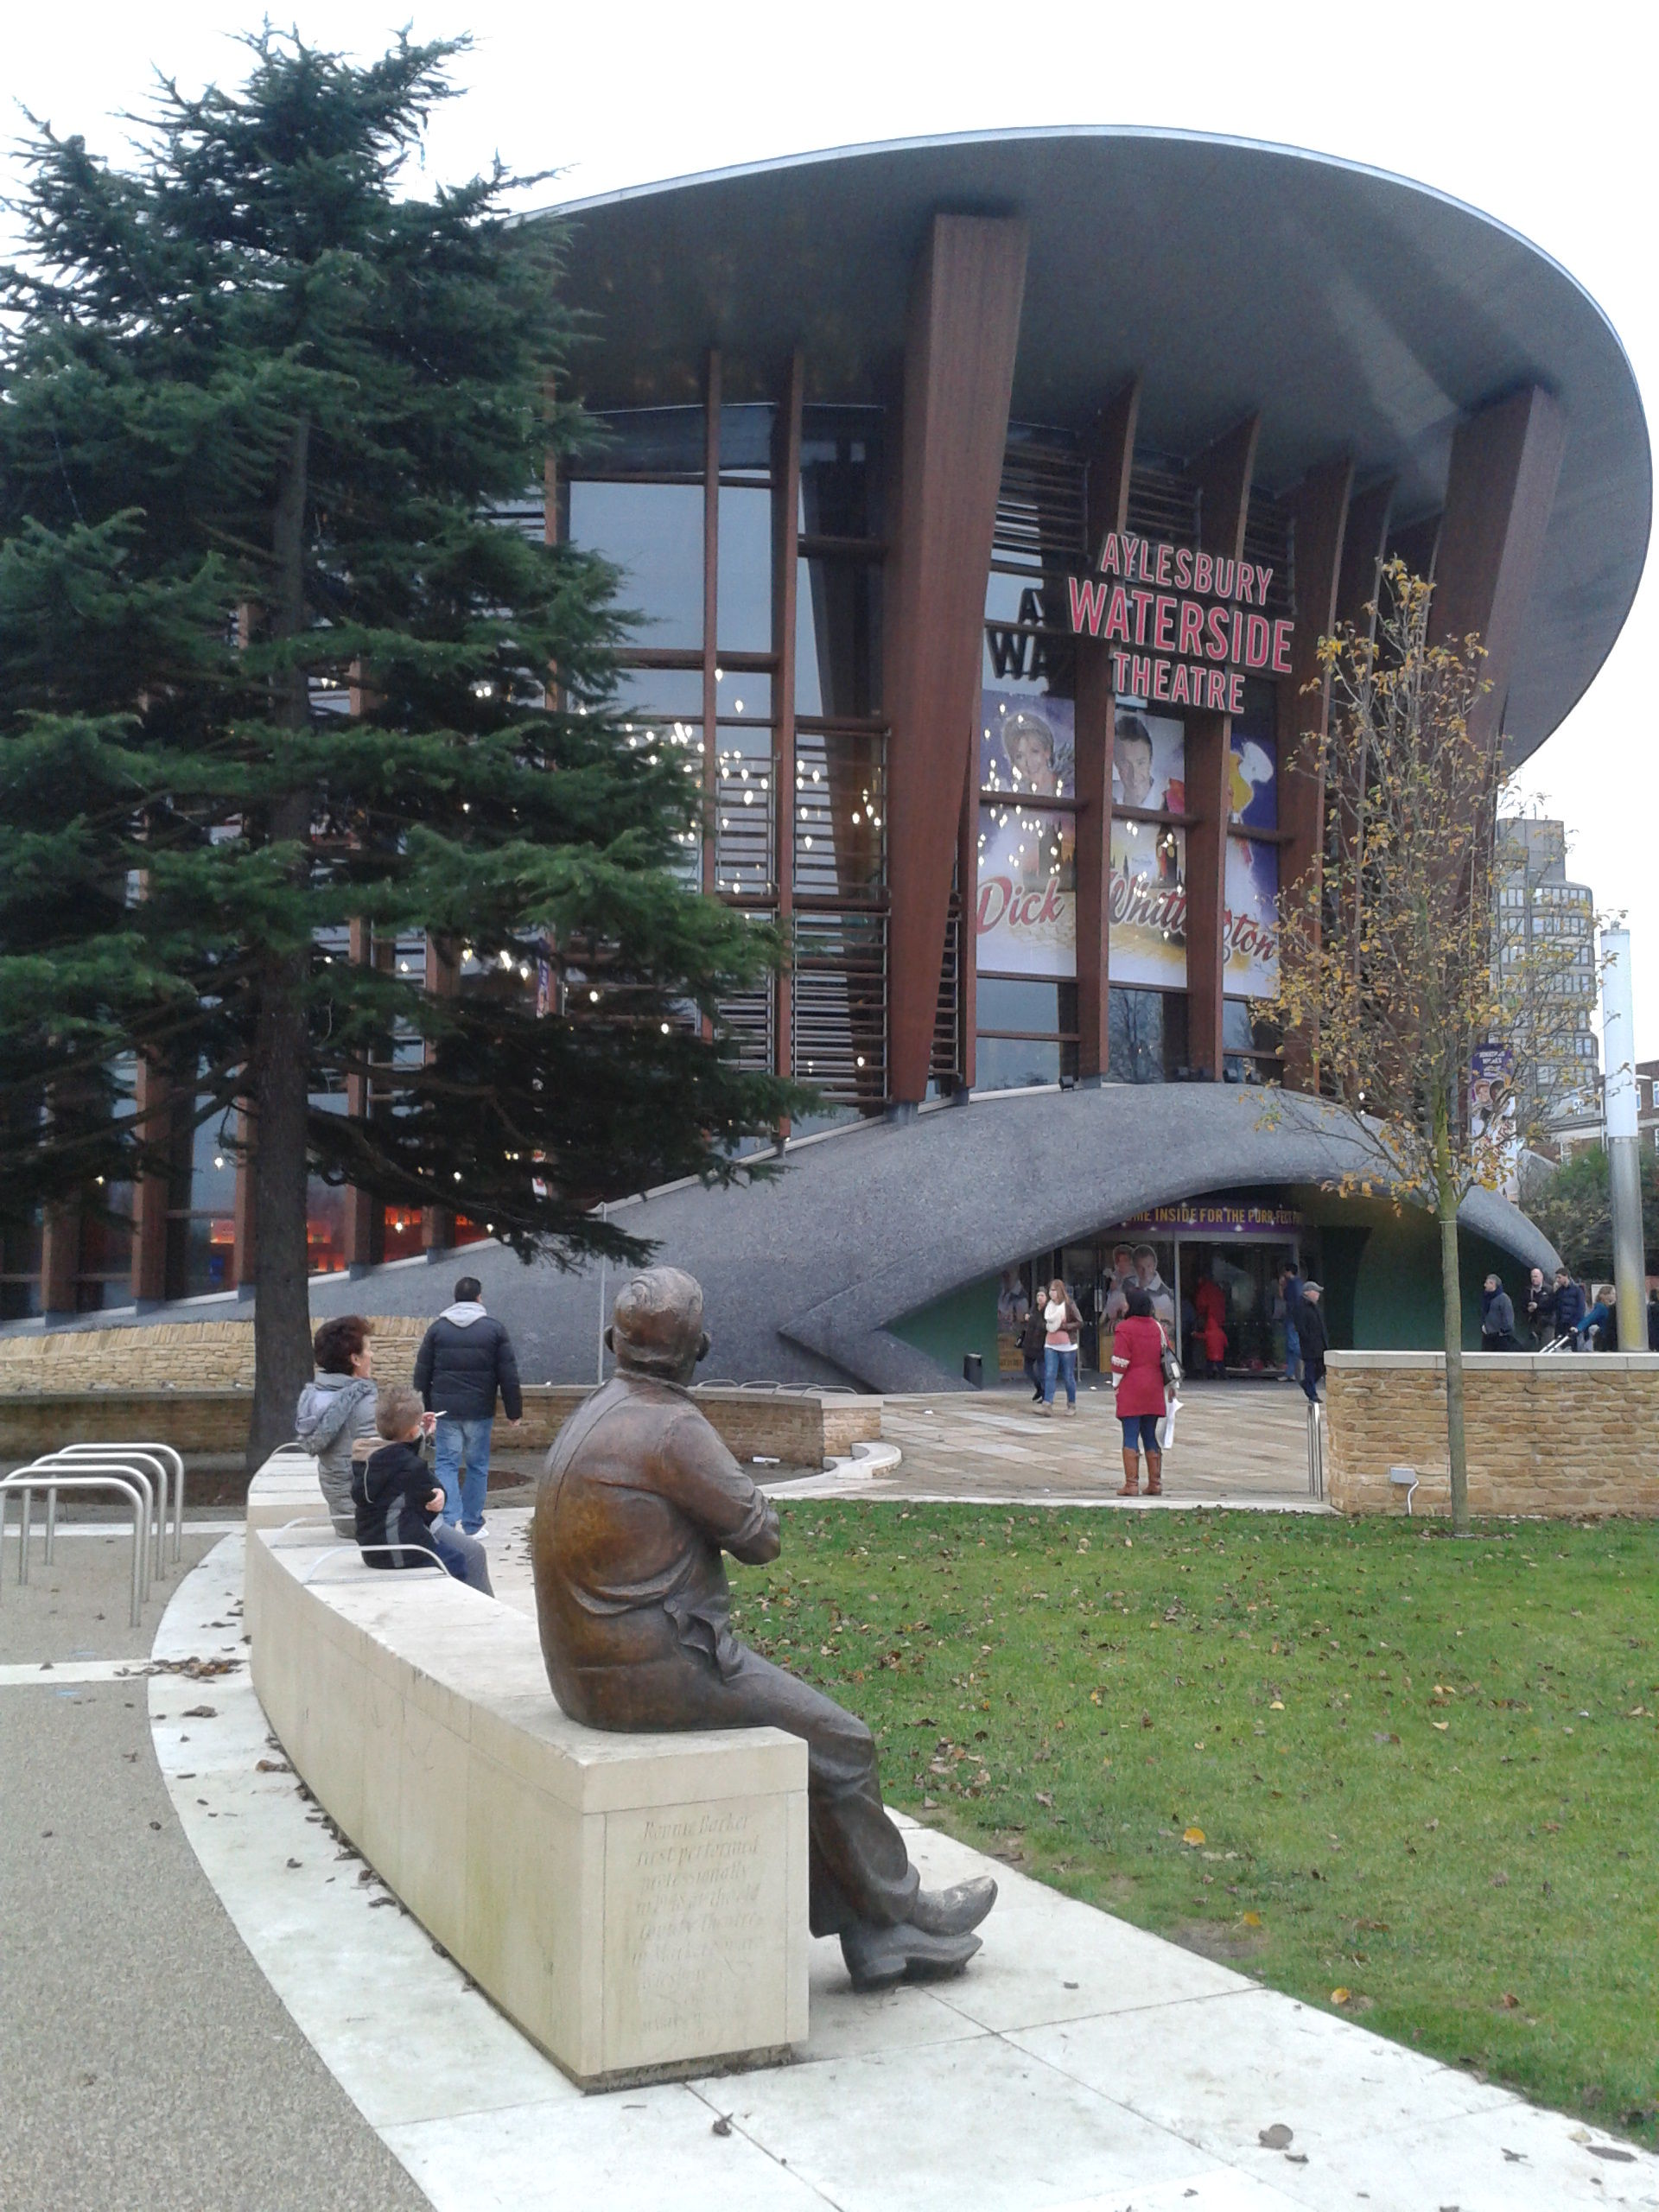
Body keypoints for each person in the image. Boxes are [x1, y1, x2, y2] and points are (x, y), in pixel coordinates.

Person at [532, 1266, 996, 1990]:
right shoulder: (673, 1427)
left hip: (584, 1670)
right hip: (655, 1667)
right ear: (698, 1352)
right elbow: (760, 1537)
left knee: (808, 1746)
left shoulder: (595, 1410)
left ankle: (878, 1938)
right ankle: (901, 1910)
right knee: (844, 1743)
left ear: (612, 1343)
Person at [353, 1384, 493, 1596]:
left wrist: (419, 1434)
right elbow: (428, 1504)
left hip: (372, 1545)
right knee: (457, 1561)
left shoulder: (367, 1456)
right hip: (399, 1549)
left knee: (467, 1553)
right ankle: (476, 1611)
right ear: (412, 1431)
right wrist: (439, 1495)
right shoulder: (409, 1466)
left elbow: (400, 1465)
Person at [413, 1275, 524, 1538]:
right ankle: (473, 1525)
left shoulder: (437, 1330)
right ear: (479, 1298)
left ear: (455, 1299)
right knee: (477, 1466)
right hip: (479, 1410)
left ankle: (448, 1523)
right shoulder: (494, 1329)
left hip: (444, 1410)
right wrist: (514, 1411)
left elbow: (422, 1372)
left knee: (446, 1465)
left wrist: (423, 1408)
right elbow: (507, 1374)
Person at [295, 1315, 378, 1536]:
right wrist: (417, 1434)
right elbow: (386, 1462)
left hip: (342, 1517)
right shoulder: (363, 1404)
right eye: (368, 1349)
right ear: (355, 1359)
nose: (372, 1355)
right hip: (371, 1519)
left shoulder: (317, 1397)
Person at [1111, 1284, 1167, 1496]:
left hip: (1132, 1387)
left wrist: (1116, 1385)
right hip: (1154, 1387)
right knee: (1150, 1435)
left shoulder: (1125, 1328)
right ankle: (1155, 1483)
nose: (1123, 1305)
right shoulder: (1157, 1327)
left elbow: (1120, 1362)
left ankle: (1131, 1484)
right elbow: (1166, 1355)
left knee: (1130, 1434)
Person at [1038, 1276, 1082, 1416]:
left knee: (1068, 1375)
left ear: (1060, 1291)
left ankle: (1071, 1404)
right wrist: (1047, 1326)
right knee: (1049, 1373)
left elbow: (1079, 1322)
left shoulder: (1069, 1305)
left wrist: (1063, 1326)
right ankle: (1047, 1404)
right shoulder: (1048, 1307)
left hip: (1067, 1346)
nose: (1051, 1293)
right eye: (1050, 1290)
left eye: (1054, 1290)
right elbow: (1041, 1322)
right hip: (1050, 1345)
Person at [1295, 1281, 1328, 1402]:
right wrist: (1307, 1339)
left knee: (1321, 1367)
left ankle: (1307, 1384)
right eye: (1316, 1292)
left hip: (1319, 1343)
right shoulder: (1301, 1307)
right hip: (1309, 1344)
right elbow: (1301, 1326)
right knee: (1309, 1368)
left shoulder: (1315, 1307)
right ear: (1308, 1292)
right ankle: (1312, 1394)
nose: (1318, 1294)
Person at [1193, 1268, 1228, 1376]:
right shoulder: (1217, 1289)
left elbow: (1201, 1305)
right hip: (1220, 1321)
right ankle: (1219, 1371)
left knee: (1204, 1346)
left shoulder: (1204, 1290)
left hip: (1210, 1318)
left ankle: (1201, 1368)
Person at [1134, 1244, 1176, 1329]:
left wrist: (1167, 1326)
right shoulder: (1126, 1287)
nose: (1145, 1272)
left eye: (1148, 1266)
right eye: (1140, 1267)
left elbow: (1173, 1326)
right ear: (1135, 1268)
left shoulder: (1166, 1295)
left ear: (1155, 1265)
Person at [1480, 1274, 1519, 1352]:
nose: (1485, 1285)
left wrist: (1501, 1332)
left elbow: (1508, 1319)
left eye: (1487, 1283)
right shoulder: (1486, 1299)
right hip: (1487, 1337)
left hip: (1501, 1339)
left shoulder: (1504, 1299)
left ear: (1493, 1284)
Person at [1020, 1297, 1048, 1403]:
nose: (1040, 1298)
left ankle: (1045, 1394)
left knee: (1042, 1371)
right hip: (1030, 1343)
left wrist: (1031, 1319)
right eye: (1038, 1296)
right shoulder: (1033, 1309)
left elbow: (1045, 1325)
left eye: (1042, 1296)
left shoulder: (1048, 1310)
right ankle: (1039, 1388)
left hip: (1041, 1344)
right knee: (1027, 1369)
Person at [1552, 1268, 1587, 1349]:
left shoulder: (1577, 1291)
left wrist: (1575, 1324)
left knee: (1571, 1346)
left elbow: (1580, 1309)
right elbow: (1553, 1304)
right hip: (1561, 1323)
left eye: (1559, 1277)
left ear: (1566, 1277)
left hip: (1571, 1324)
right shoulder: (1559, 1291)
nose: (1557, 1280)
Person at [1281, 1265, 1304, 1383]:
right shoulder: (1298, 1283)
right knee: (1289, 1346)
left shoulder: (1292, 1284)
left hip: (1293, 1317)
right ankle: (1290, 1373)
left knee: (1293, 1344)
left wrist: (1281, 1286)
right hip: (1292, 1317)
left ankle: (1312, 1361)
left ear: (1288, 1271)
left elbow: (1284, 1298)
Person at [1523, 1266, 1556, 1351]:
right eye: (1532, 1277)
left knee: (1546, 1347)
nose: (1534, 1279)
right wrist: (1528, 1309)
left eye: (1536, 1276)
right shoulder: (1528, 1290)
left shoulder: (1549, 1290)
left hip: (1547, 1322)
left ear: (1541, 1277)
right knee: (1534, 1347)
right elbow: (1523, 1305)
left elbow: (1552, 1306)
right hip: (1534, 1323)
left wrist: (1538, 1306)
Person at [1580, 1283, 1618, 1351]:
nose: (1614, 1295)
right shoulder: (1601, 1308)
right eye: (1612, 1293)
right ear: (1604, 1295)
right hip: (1605, 1338)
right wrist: (1578, 1328)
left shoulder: (1607, 1307)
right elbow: (1589, 1319)